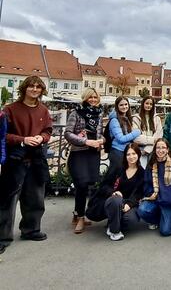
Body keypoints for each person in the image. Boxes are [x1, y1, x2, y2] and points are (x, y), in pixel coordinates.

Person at [0, 76, 53, 255]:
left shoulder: (44, 111)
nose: (35, 89)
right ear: (25, 88)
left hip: (36, 160)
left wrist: (41, 138)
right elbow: (2, 135)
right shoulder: (10, 110)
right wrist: (23, 140)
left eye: (38, 87)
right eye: (31, 86)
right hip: (15, 161)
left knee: (36, 198)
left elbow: (48, 131)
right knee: (8, 200)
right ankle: (2, 237)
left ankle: (31, 230)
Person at [64, 88, 105, 234]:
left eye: (95, 97)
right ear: (85, 98)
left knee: (87, 185)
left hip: (93, 154)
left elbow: (100, 133)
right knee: (81, 184)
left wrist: (102, 140)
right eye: (90, 97)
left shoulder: (99, 114)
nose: (93, 100)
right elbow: (67, 133)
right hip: (79, 153)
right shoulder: (76, 112)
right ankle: (81, 217)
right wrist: (85, 141)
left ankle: (77, 214)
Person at [85, 143, 144, 241]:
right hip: (111, 200)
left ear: (138, 155)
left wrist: (129, 204)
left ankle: (112, 222)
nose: (131, 157)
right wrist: (113, 192)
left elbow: (139, 193)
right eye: (128, 154)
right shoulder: (118, 168)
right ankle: (114, 231)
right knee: (116, 200)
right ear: (125, 156)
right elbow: (104, 186)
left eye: (134, 154)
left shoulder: (142, 173)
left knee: (130, 220)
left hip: (126, 203)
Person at [138, 138, 171, 236]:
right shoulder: (151, 164)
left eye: (163, 147)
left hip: (169, 202)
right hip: (155, 199)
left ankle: (170, 216)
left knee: (165, 231)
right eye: (158, 147)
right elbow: (146, 183)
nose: (160, 150)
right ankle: (158, 219)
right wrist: (151, 194)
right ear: (155, 150)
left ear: (167, 149)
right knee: (142, 210)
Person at [108, 96, 141, 171]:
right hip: (117, 151)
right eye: (121, 105)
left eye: (126, 104)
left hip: (125, 150)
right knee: (116, 176)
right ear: (117, 106)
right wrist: (137, 132)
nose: (124, 107)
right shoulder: (114, 120)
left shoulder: (126, 118)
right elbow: (121, 139)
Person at [133, 96, 163, 168]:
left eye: (151, 104)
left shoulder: (157, 118)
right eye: (147, 103)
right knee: (141, 170)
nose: (148, 106)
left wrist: (147, 149)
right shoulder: (136, 118)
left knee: (152, 170)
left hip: (153, 149)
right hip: (140, 149)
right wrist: (152, 140)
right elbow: (136, 138)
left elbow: (159, 135)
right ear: (143, 104)